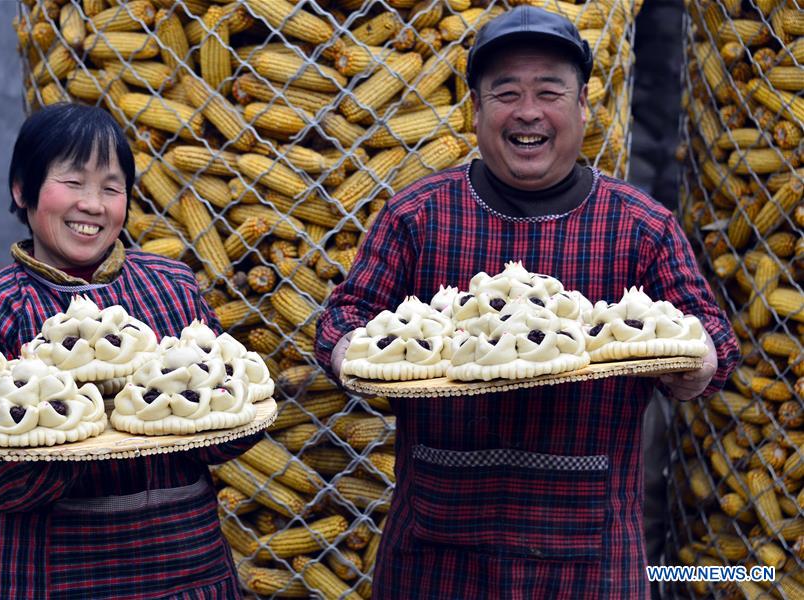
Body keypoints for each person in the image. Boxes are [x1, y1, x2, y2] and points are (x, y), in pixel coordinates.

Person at [315, 7, 740, 599]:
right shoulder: (417, 216)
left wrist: (693, 367)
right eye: (506, 92)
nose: (528, 111)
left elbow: (715, 339)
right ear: (476, 111)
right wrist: (357, 358)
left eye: (549, 91)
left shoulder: (642, 227)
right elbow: (342, 318)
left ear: (584, 105)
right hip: (439, 544)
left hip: (588, 548)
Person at [0, 103, 259, 599]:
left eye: (111, 188)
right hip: (55, 576)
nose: (93, 205)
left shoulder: (172, 289)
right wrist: (68, 431)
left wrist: (214, 410)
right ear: (21, 189)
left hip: (185, 568)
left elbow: (227, 429)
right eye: (73, 183)